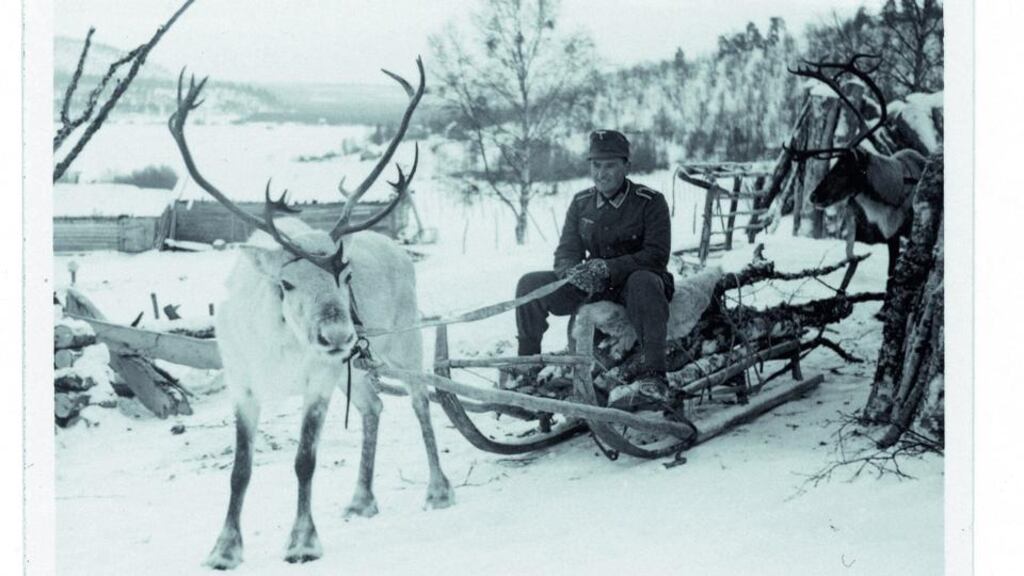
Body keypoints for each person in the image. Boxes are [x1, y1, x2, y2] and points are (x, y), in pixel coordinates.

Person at [515, 130, 675, 409]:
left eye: (610, 165)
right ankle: (527, 368)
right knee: (530, 284)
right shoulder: (581, 202)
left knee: (644, 281)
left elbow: (656, 255)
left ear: (626, 165)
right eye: (596, 165)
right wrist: (573, 275)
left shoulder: (650, 201)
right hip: (594, 285)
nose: (602, 174)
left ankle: (654, 376)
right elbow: (566, 251)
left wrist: (607, 268)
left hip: (637, 285)